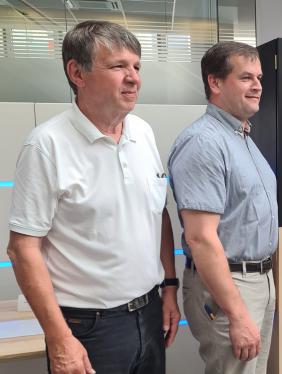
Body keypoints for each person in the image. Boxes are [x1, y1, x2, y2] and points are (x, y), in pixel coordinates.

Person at [7, 20, 180, 374]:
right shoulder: (46, 145)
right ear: (77, 73)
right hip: (88, 328)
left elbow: (157, 213)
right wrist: (59, 337)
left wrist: (169, 287)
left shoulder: (142, 132)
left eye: (136, 66)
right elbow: (23, 248)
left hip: (149, 313)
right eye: (118, 66)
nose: (133, 77)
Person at [168, 41, 278, 374]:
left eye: (258, 77)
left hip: (258, 280)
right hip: (230, 285)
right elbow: (201, 239)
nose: (258, 85)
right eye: (246, 77)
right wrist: (238, 314)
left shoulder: (240, 137)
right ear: (215, 83)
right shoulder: (205, 142)